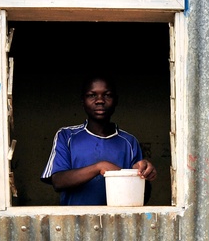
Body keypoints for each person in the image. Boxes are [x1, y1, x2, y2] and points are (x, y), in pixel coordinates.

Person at [41, 75, 157, 205]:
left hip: (118, 222)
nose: (100, 100)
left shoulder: (129, 142)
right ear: (82, 101)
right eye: (92, 95)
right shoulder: (67, 136)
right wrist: (99, 167)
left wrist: (143, 176)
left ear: (116, 100)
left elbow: (142, 197)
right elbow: (58, 181)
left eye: (107, 95)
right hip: (75, 222)